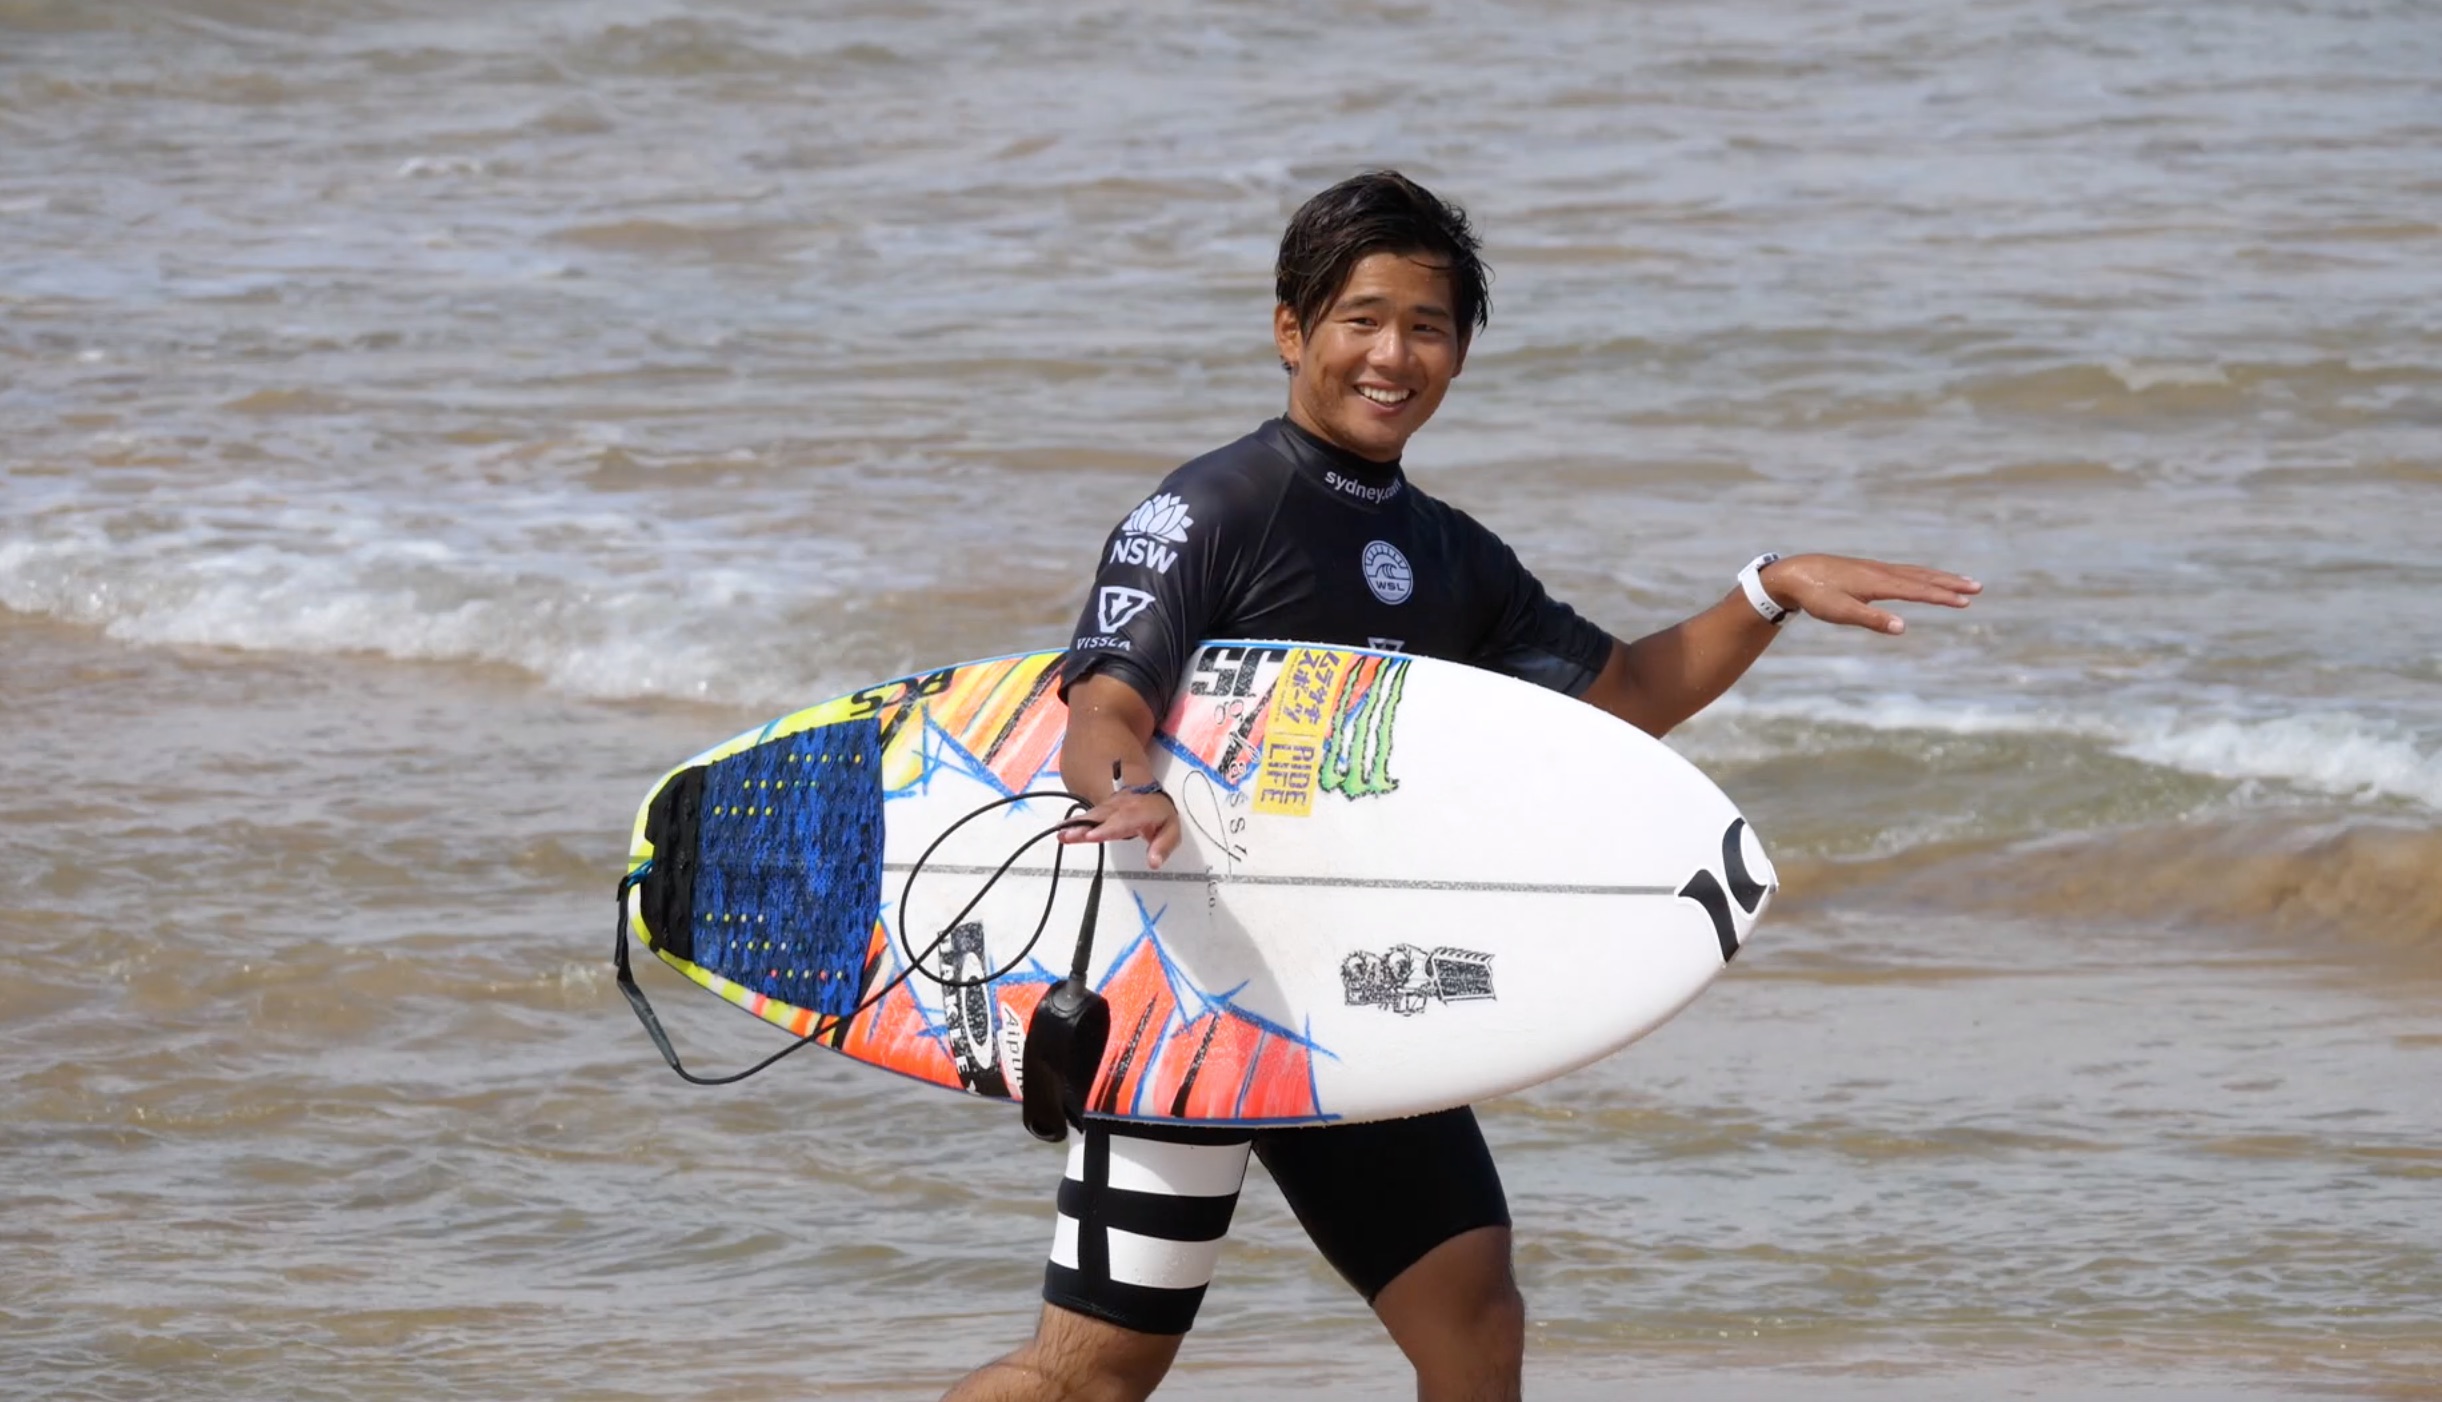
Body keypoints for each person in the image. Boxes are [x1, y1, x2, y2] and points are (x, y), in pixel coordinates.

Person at [945, 170, 1979, 1402]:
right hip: (1185, 997)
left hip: (1344, 993)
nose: (1394, 355)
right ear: (1291, 329)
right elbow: (1104, 704)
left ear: (1461, 352)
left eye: (1426, 326)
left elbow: (1629, 695)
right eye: (1363, 319)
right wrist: (1130, 790)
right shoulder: (1212, 508)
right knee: (1093, 1380)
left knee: (1476, 1327)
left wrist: (1767, 590)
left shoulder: (1449, 555)